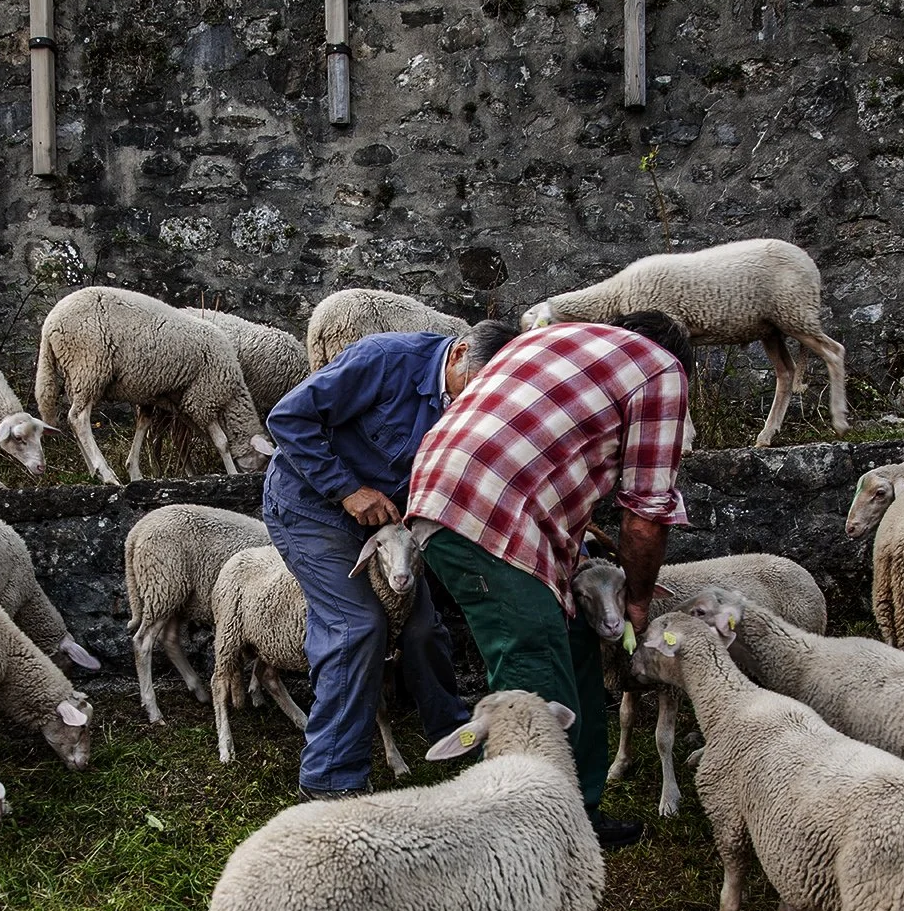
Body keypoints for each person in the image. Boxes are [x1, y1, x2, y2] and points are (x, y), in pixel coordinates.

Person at [406, 310, 695, 850]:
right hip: (489, 510)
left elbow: (550, 459)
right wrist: (636, 599)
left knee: (574, 637)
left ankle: (578, 809)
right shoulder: (661, 372)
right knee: (534, 665)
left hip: (444, 487)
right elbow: (645, 516)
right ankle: (534, 835)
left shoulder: (554, 337)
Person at [261, 319, 522, 799]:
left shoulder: (474, 398)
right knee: (356, 625)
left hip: (388, 527)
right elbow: (288, 419)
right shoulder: (385, 359)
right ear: (460, 352)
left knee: (422, 624)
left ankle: (451, 734)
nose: (478, 405)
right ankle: (330, 779)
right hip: (310, 509)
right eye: (478, 387)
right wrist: (347, 489)